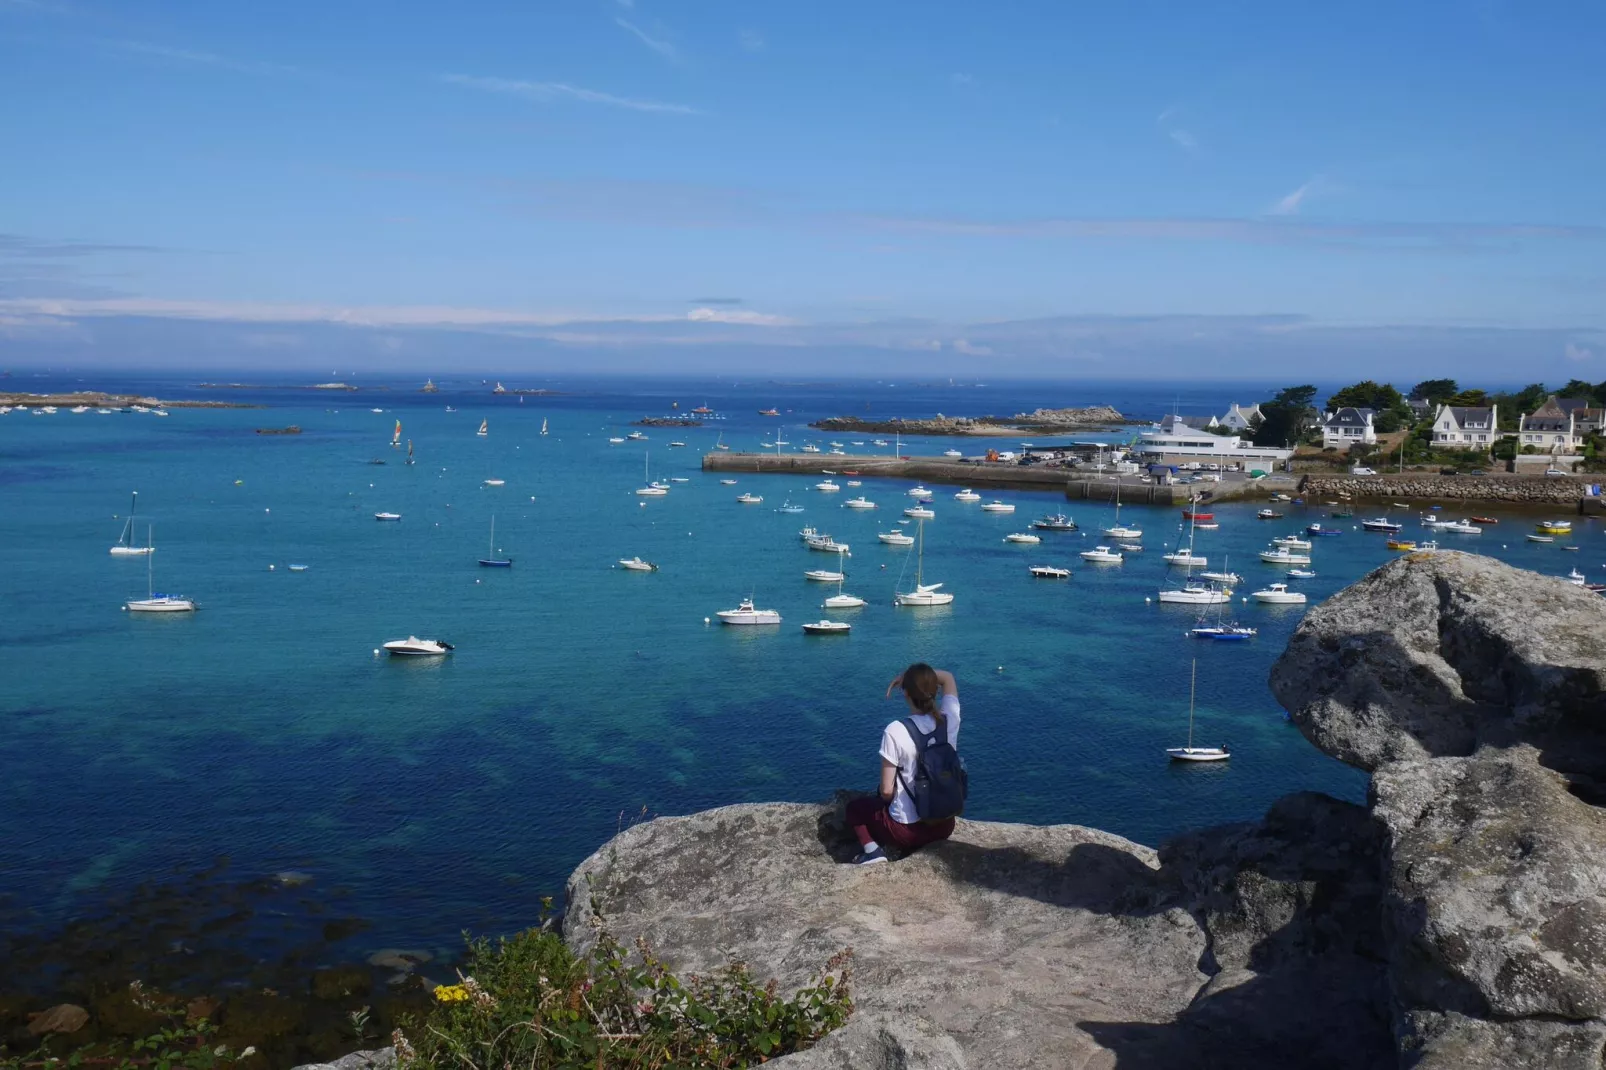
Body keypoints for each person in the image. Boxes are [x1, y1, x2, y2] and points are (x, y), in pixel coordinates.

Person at [845, 663, 961, 865]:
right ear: (935, 690)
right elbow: (948, 677)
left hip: (905, 833)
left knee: (855, 809)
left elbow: (887, 792)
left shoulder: (895, 730)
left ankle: (873, 852)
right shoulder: (949, 720)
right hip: (944, 825)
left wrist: (906, 678)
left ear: (905, 693)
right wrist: (910, 678)